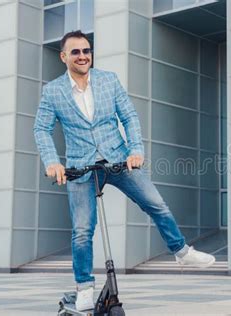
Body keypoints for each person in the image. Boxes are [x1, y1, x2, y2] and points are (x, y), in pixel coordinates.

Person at [33, 30, 215, 311]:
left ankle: (181, 252)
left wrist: (136, 150)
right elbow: (41, 129)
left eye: (87, 51)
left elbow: (129, 116)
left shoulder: (109, 80)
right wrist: (52, 161)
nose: (83, 56)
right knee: (82, 231)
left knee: (156, 204)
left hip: (117, 159)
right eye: (76, 52)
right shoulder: (53, 90)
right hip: (80, 167)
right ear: (63, 56)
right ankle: (83, 287)